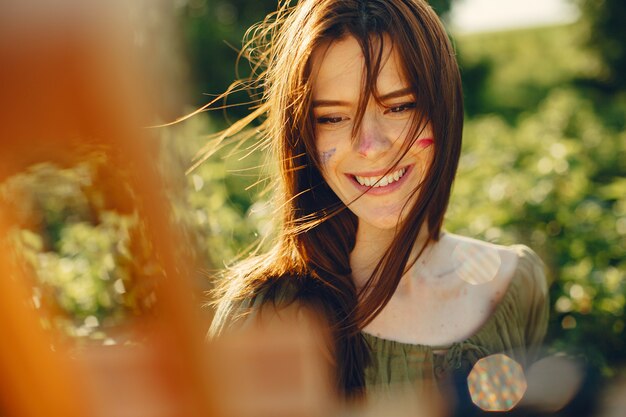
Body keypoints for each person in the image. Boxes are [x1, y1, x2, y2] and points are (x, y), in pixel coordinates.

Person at [207, 0, 550, 402]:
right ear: (302, 135)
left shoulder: (516, 285)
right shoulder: (264, 312)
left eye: (399, 106)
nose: (369, 146)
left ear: (443, 108)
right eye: (332, 117)